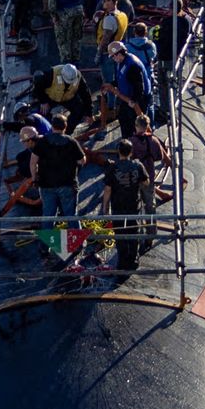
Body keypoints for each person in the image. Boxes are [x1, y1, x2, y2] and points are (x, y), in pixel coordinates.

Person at [101, 139, 152, 271]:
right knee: (133, 233)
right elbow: (146, 183)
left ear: (119, 151)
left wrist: (105, 207)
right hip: (133, 206)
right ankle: (134, 259)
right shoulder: (138, 165)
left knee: (120, 235)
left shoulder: (113, 167)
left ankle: (123, 260)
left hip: (118, 207)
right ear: (131, 152)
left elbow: (108, 189)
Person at [30, 112, 87, 226]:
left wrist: (34, 178)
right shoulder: (71, 142)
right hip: (67, 184)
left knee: (48, 216)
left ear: (52, 126)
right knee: (71, 216)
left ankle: (47, 242)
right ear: (65, 127)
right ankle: (77, 242)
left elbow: (33, 162)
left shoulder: (42, 142)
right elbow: (82, 160)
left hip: (46, 185)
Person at [103, 39, 151, 137]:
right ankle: (127, 141)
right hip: (127, 97)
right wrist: (111, 84)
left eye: (112, 56)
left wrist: (133, 101)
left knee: (136, 124)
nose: (112, 59)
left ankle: (136, 143)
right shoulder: (121, 62)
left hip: (138, 99)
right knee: (123, 119)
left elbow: (139, 87)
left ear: (117, 54)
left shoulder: (132, 66)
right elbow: (120, 79)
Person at [31, 62, 96, 129]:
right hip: (51, 97)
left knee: (79, 112)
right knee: (41, 113)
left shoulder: (78, 78)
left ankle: (67, 131)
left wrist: (89, 114)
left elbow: (85, 94)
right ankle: (50, 131)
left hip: (68, 98)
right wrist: (43, 101)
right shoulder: (51, 74)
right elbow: (38, 86)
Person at [94, 0, 130, 74]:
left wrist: (98, 55)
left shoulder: (109, 19)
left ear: (111, 1)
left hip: (108, 54)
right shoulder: (122, 15)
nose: (103, 2)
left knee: (108, 82)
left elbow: (106, 38)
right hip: (117, 50)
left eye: (105, 0)